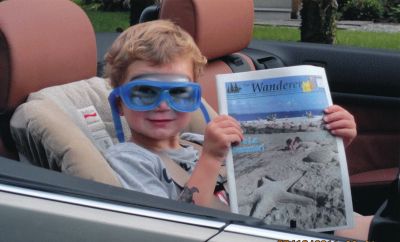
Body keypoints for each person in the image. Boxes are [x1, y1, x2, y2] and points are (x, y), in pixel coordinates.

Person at [103, 19, 357, 212]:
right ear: (119, 104)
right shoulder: (129, 159)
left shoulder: (196, 140)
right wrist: (211, 158)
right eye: (144, 92)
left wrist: (332, 139)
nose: (162, 104)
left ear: (194, 99)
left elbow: (273, 166)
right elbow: (176, 227)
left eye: (180, 92)